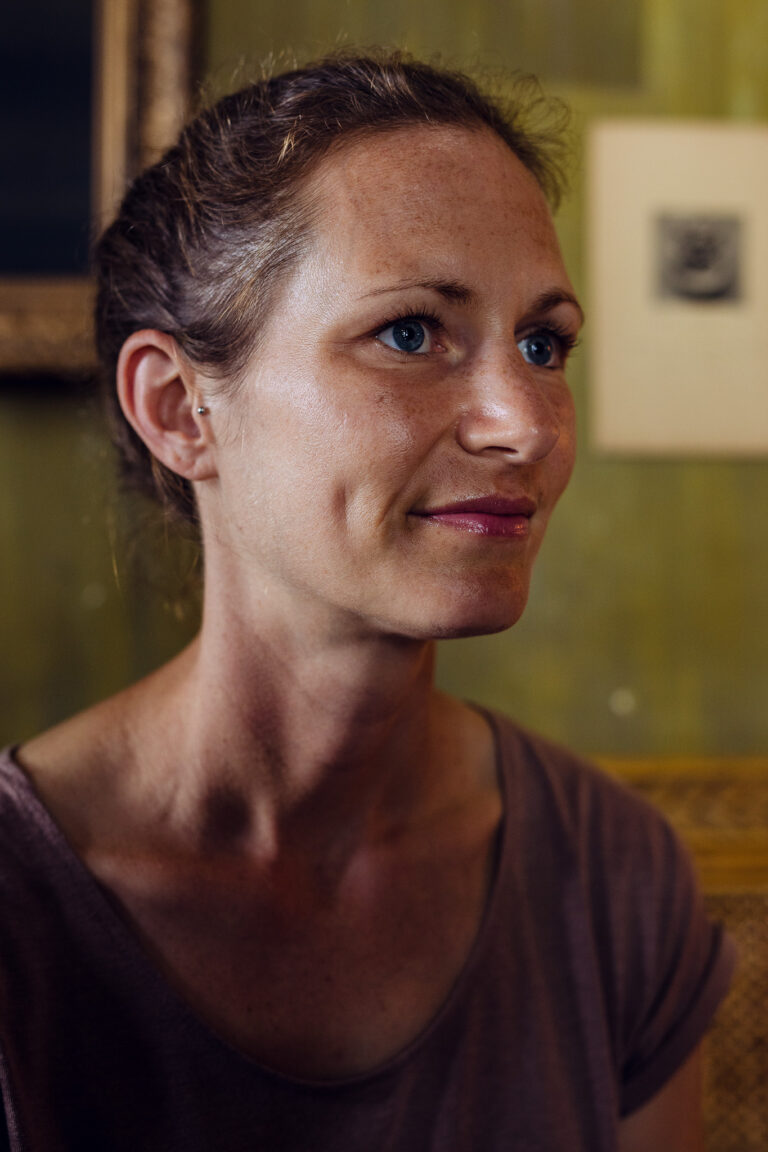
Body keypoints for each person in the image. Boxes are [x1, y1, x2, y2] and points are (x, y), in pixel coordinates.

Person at [0, 52, 734, 1151]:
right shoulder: (24, 918)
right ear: (182, 410)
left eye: (544, 345)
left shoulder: (614, 875)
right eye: (410, 332)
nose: (524, 424)